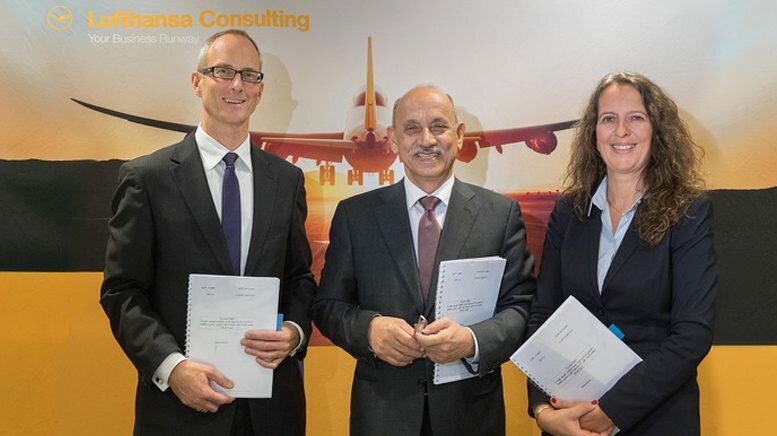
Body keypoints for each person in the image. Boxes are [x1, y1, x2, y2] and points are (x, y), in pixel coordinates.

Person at [100, 29, 315, 435]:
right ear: (197, 81)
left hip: (271, 410)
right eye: (223, 71)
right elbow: (122, 291)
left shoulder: (286, 181)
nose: (237, 85)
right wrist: (171, 367)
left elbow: (299, 278)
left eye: (250, 75)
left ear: (260, 91)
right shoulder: (147, 178)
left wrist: (294, 331)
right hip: (179, 410)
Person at [312, 85, 536, 436]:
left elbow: (521, 307)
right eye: (412, 129)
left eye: (439, 126)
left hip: (471, 417)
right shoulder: (356, 216)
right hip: (383, 417)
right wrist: (369, 330)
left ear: (459, 135)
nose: (427, 140)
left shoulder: (500, 215)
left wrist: (472, 340)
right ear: (393, 139)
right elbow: (328, 305)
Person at [527, 72, 717, 435]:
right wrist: (542, 409)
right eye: (608, 119)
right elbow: (543, 316)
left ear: (657, 129)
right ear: (593, 132)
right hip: (568, 420)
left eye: (636, 118)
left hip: (656, 419)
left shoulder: (688, 212)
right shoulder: (569, 211)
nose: (621, 131)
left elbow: (692, 335)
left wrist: (610, 411)